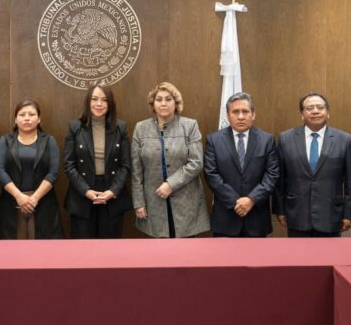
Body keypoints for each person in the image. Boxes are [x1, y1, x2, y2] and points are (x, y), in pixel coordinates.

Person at [131, 81, 210, 238]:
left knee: (186, 249)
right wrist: (139, 202)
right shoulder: (141, 128)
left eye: (168, 99)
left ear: (176, 103)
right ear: (153, 104)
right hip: (153, 202)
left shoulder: (190, 126)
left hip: (186, 202)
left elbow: (196, 162)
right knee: (159, 250)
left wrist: (170, 184)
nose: (163, 103)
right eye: (159, 99)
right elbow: (136, 169)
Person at [273, 92, 351, 237]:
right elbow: (279, 179)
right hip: (296, 214)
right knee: (298, 252)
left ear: (328, 112)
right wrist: (279, 209)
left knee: (330, 252)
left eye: (320, 107)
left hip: (331, 214)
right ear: (302, 114)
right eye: (309, 108)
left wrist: (349, 214)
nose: (315, 111)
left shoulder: (344, 139)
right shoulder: (285, 139)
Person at [204, 92, 279, 237]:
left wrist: (251, 199)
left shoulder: (267, 140)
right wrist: (235, 202)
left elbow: (272, 174)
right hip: (226, 218)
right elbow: (211, 174)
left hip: (256, 217)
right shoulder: (214, 140)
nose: (240, 116)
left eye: (245, 111)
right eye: (235, 112)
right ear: (227, 115)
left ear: (253, 114)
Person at [63, 82, 132, 238]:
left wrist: (112, 191)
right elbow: (69, 165)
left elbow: (125, 165)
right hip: (82, 195)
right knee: (83, 248)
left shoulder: (120, 127)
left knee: (110, 249)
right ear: (88, 102)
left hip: (112, 195)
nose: (99, 104)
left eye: (104, 99)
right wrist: (85, 191)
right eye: (94, 99)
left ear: (110, 103)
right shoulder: (75, 127)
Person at [0, 99, 63, 239]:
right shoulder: (5, 140)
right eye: (22, 114)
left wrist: (34, 198)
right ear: (15, 119)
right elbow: (0, 171)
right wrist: (19, 196)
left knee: (42, 248)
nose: (26, 118)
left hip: (42, 203)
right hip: (12, 202)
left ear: (39, 119)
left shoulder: (49, 141)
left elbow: (53, 173)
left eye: (31, 114)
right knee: (13, 248)